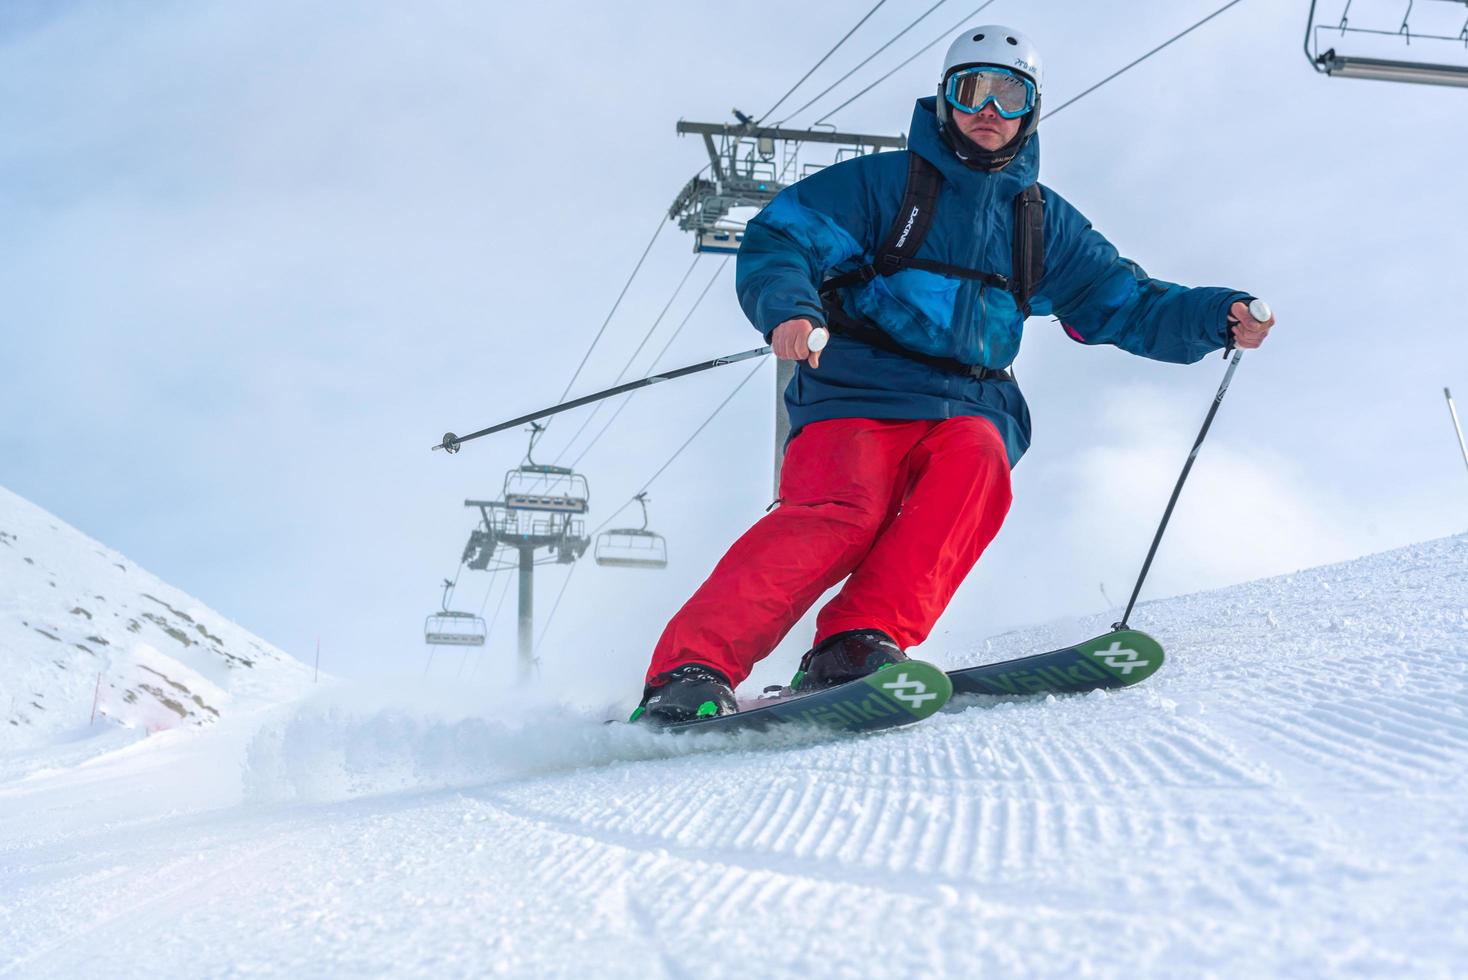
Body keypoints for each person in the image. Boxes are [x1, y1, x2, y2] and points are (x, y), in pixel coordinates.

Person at [631, 25, 1274, 725]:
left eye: (1009, 94)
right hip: (857, 388)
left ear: (1031, 110)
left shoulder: (1039, 222)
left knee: (978, 464)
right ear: (944, 100)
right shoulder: (883, 188)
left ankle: (854, 644)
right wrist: (789, 307)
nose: (989, 111)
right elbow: (785, 236)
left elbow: (1124, 300)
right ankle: (690, 671)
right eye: (973, 91)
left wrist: (1216, 316)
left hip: (970, 397)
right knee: (841, 513)